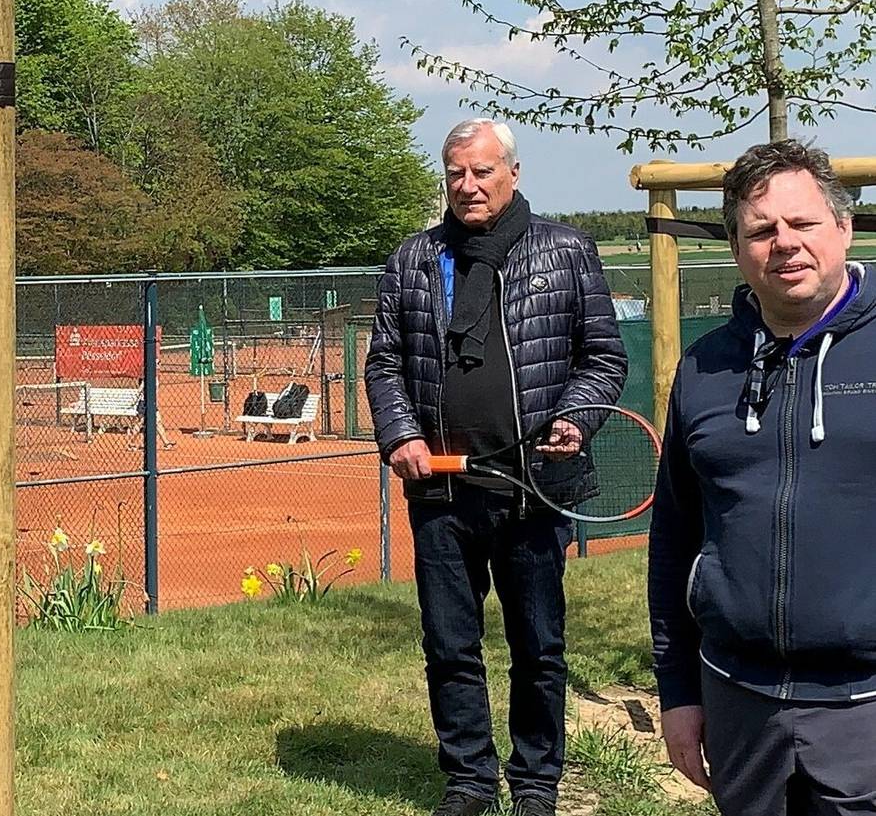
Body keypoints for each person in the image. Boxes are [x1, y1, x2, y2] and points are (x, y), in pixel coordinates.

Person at [366, 118, 628, 816]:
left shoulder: (567, 251)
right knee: (450, 645)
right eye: (456, 171)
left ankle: (536, 783)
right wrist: (399, 435)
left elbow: (603, 357)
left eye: (481, 171)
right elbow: (385, 362)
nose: (467, 184)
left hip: (533, 491)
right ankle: (469, 780)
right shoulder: (414, 259)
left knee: (539, 648)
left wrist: (576, 416)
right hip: (441, 489)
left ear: (513, 173)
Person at [649, 139, 876, 815]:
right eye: (761, 229)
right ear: (738, 246)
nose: (785, 242)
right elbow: (674, 539)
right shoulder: (704, 369)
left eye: (802, 222)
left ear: (844, 226)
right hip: (738, 701)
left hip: (865, 705)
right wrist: (678, 691)